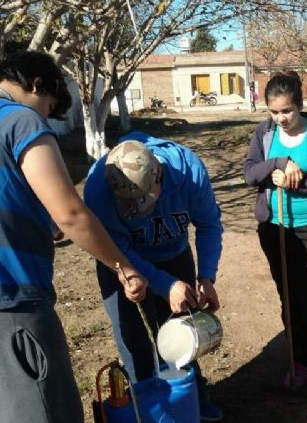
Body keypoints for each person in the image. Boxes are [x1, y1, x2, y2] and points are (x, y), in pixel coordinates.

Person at [0, 51, 147, 423]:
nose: (46, 118)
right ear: (37, 85)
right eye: (49, 108)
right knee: (48, 410)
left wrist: (32, 219)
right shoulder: (20, 119)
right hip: (3, 297)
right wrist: (124, 268)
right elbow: (72, 215)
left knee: (5, 407)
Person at [83, 133, 224, 422]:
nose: (137, 210)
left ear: (159, 174)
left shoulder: (189, 173)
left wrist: (206, 277)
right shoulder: (98, 189)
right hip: (120, 263)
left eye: (142, 200)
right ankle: (147, 407)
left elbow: (209, 224)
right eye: (129, 204)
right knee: (133, 340)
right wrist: (162, 284)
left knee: (183, 332)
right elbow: (115, 248)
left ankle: (192, 396)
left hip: (174, 255)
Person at [243, 72, 307, 396]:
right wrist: (280, 162)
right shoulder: (265, 133)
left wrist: (300, 181)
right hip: (275, 228)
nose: (281, 118)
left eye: (287, 110)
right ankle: (300, 360)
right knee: (289, 298)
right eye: (274, 111)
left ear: (299, 105)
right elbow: (250, 174)